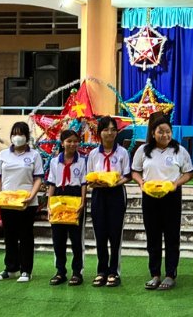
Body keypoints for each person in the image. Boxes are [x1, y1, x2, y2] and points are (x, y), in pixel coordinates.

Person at [132, 116, 193, 291]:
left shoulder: (179, 150)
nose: (164, 135)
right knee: (152, 237)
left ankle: (170, 274)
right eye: (160, 131)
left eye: (168, 131)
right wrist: (141, 183)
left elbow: (189, 173)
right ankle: (155, 275)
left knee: (172, 237)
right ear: (153, 133)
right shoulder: (143, 150)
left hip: (171, 198)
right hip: (150, 197)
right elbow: (134, 171)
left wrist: (176, 183)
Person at [0, 121, 44, 283]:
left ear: (27, 136)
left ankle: (26, 269)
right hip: (7, 201)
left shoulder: (34, 155)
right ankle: (11, 267)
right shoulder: (3, 155)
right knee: (10, 235)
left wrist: (31, 195)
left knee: (26, 235)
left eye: (21, 134)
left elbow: (38, 179)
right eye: (14, 134)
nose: (17, 137)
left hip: (27, 202)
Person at [87, 116, 132, 288]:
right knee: (100, 234)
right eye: (106, 129)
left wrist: (114, 182)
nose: (110, 133)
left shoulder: (122, 153)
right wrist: (98, 183)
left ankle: (114, 271)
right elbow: (89, 178)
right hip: (99, 195)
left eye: (113, 129)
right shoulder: (93, 154)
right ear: (100, 133)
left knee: (115, 235)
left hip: (116, 194)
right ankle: (101, 271)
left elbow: (127, 175)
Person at [46, 129, 87, 286]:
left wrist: (83, 202)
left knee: (76, 239)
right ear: (62, 143)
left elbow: (84, 183)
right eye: (68, 141)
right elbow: (51, 183)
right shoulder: (55, 161)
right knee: (58, 239)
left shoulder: (82, 161)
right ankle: (60, 271)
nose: (72, 144)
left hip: (75, 198)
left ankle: (77, 272)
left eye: (75, 141)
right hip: (58, 197)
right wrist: (49, 205)